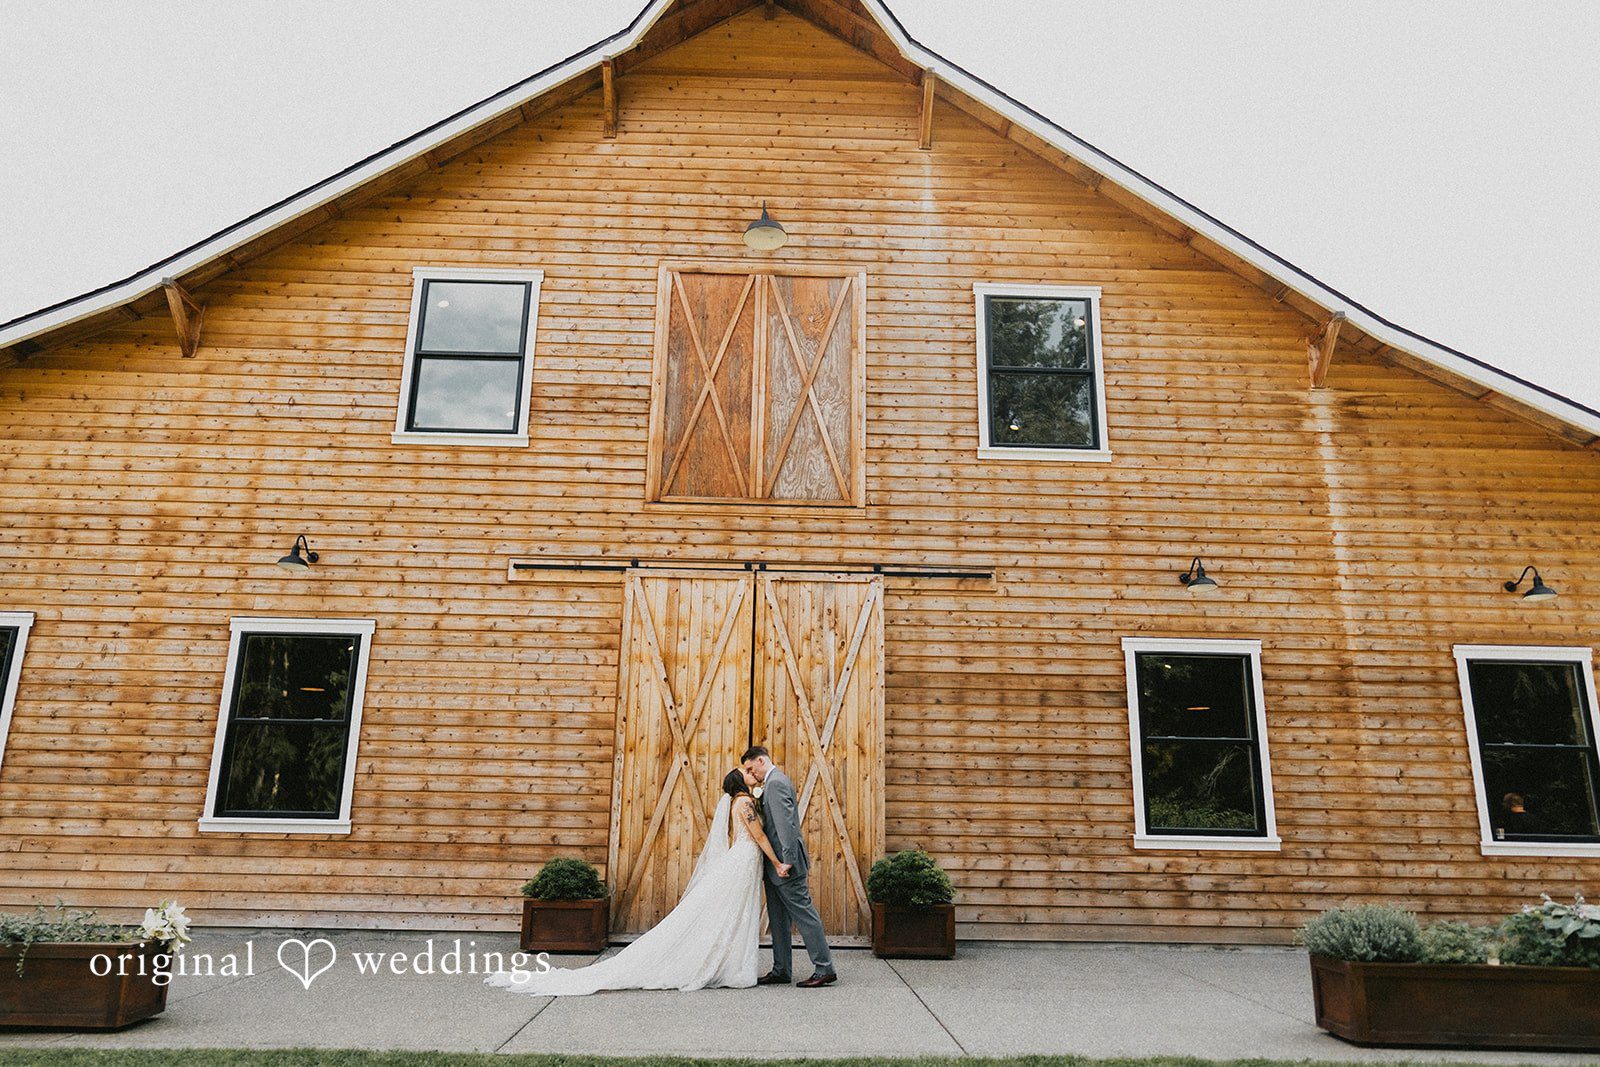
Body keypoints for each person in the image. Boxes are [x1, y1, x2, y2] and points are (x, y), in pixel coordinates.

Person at [485, 767, 790, 995]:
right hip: (741, 864)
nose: (751, 773)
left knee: (733, 916)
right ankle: (727, 966)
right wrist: (777, 861)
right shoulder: (744, 803)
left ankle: (729, 963)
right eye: (746, 773)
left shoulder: (741, 802)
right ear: (739, 782)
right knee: (729, 915)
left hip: (744, 863)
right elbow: (758, 834)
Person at [742, 745, 837, 988]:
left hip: (785, 865)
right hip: (773, 865)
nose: (752, 774)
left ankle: (824, 968)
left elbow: (786, 826)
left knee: (804, 915)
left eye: (752, 768)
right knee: (778, 918)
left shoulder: (776, 783)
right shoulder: (771, 783)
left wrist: (787, 861)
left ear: (762, 761)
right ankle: (781, 969)